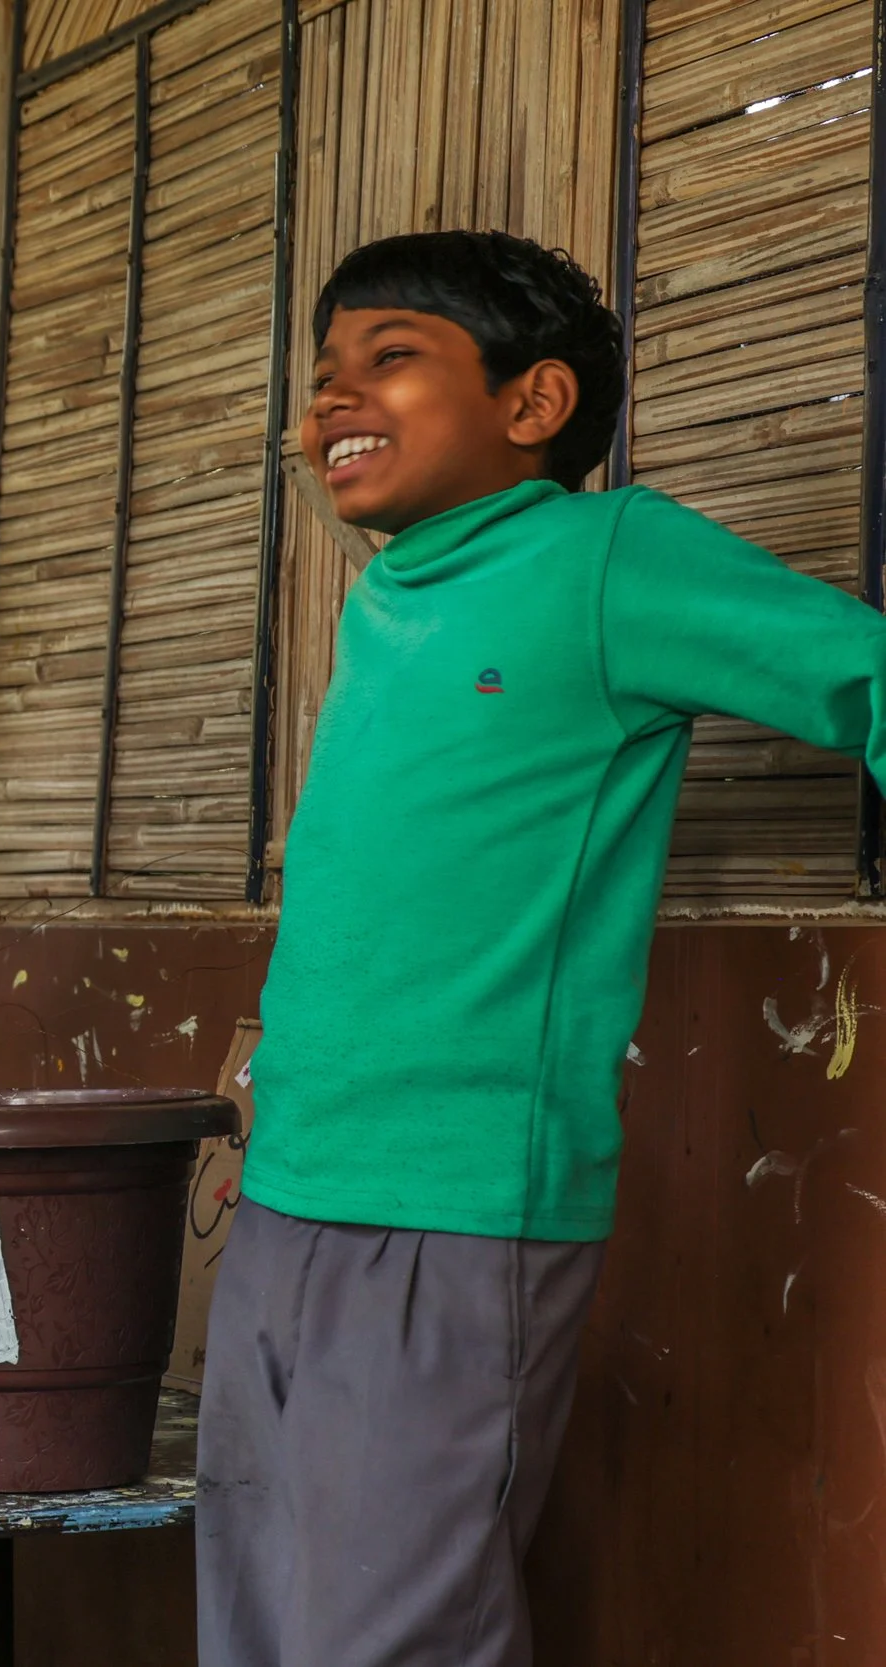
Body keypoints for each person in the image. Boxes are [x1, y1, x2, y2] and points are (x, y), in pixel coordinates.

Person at [198, 229, 886, 1666]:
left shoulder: (607, 556)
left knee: (391, 1635)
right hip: (286, 1189)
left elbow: (859, 671)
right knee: (260, 1619)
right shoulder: (386, 598)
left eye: (390, 359)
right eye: (324, 375)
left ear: (534, 404)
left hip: (459, 1200)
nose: (334, 401)